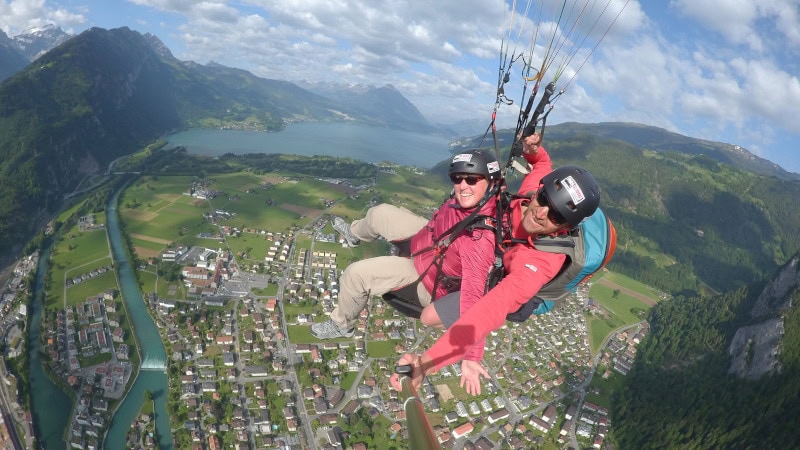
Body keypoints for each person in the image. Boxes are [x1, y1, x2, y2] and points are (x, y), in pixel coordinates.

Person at [390, 133, 601, 393]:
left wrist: (427, 364)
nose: (540, 212)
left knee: (428, 316)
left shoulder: (538, 264)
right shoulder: (530, 195)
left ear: (566, 227)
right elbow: (543, 165)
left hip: (505, 287)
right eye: (545, 200)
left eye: (557, 216)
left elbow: (487, 311)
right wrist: (533, 151)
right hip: (497, 263)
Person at [311, 149, 502, 392]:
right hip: (429, 240)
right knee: (378, 213)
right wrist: (534, 154)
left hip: (427, 276)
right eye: (458, 178)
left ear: (491, 182)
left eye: (472, 179)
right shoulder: (469, 201)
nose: (463, 186)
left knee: (355, 275)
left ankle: (341, 323)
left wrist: (472, 355)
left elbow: (474, 302)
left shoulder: (480, 240)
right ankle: (355, 234)